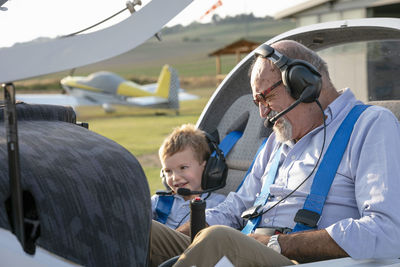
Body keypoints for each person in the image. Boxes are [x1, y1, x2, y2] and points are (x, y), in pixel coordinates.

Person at [150, 40, 400, 266]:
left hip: (306, 261)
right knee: (147, 232)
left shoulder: (371, 125)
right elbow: (238, 206)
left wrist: (279, 244)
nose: (263, 114)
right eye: (256, 102)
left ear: (305, 84)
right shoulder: (276, 143)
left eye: (266, 97)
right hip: (246, 248)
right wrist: (193, 230)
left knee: (219, 239)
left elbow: (387, 229)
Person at [151, 124, 226, 230]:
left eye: (183, 168)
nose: (175, 177)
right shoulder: (158, 201)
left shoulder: (219, 204)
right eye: (168, 171)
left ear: (206, 167)